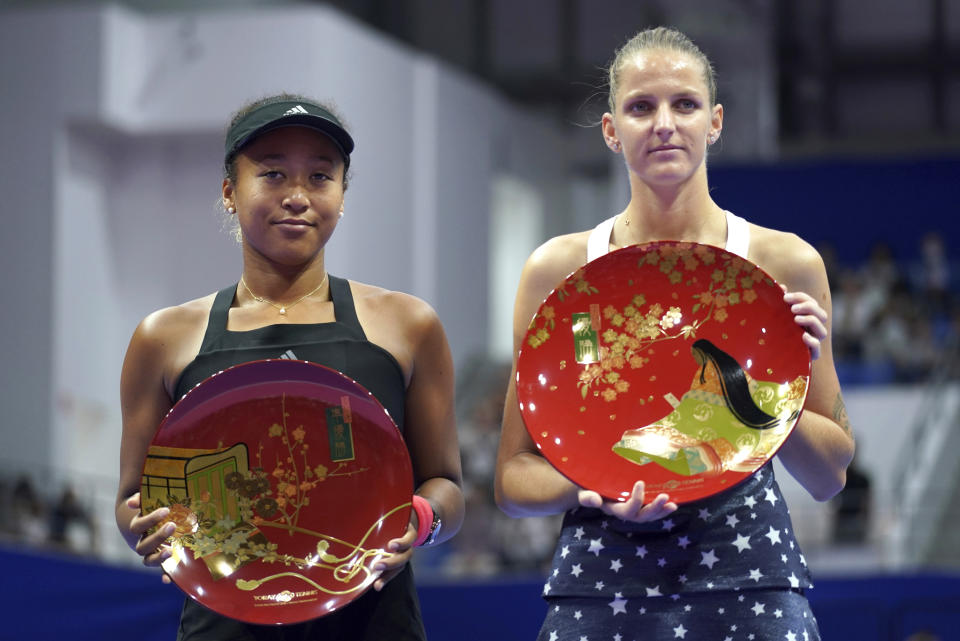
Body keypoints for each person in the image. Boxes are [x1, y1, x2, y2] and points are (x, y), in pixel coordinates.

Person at [495, 27, 855, 640]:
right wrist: (593, 491)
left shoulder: (785, 264)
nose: (664, 123)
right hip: (599, 583)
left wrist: (772, 395)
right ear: (612, 130)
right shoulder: (557, 271)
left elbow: (829, 478)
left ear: (714, 122)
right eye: (641, 106)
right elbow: (512, 478)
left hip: (749, 580)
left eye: (684, 104)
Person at [115, 93, 464, 640]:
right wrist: (149, 532)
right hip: (223, 622)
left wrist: (420, 521)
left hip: (372, 619)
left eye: (321, 177)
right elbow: (133, 499)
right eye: (273, 174)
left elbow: (447, 486)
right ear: (230, 192)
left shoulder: (408, 325)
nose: (298, 196)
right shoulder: (163, 338)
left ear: (343, 194)